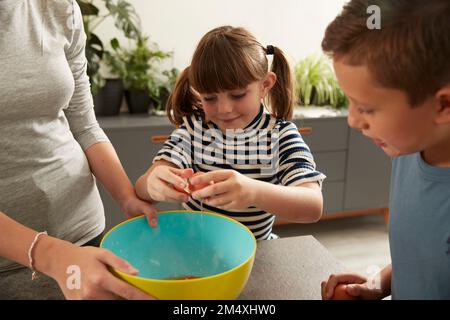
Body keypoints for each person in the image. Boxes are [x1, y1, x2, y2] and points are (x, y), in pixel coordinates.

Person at [0, 0, 156, 299]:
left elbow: (84, 124)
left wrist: (126, 197)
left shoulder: (58, 7)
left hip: (83, 239)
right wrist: (50, 255)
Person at [135, 26, 325, 241]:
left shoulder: (281, 136)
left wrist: (254, 192)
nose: (224, 109)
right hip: (196, 250)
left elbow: (313, 206)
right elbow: (142, 186)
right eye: (209, 98)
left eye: (237, 95)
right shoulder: (194, 130)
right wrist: (153, 184)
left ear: (265, 85)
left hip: (256, 252)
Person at [320, 0, 450, 299]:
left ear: (444, 105)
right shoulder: (406, 151)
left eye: (366, 108)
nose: (353, 120)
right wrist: (379, 283)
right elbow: (427, 260)